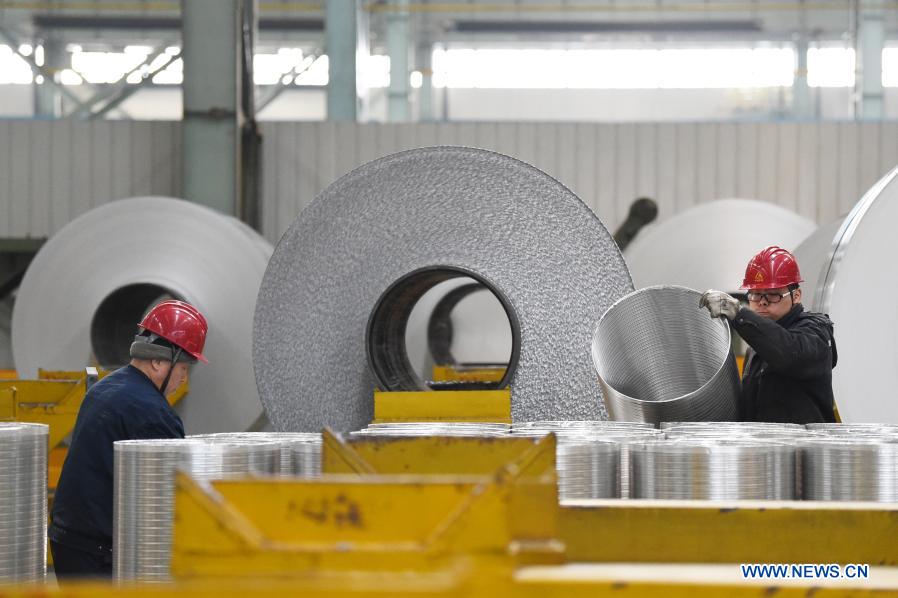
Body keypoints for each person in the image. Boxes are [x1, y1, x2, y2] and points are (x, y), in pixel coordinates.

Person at [48, 300, 208, 579]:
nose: (183, 379)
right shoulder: (152, 414)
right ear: (159, 361)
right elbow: (168, 501)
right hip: (99, 557)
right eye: (184, 368)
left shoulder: (107, 387)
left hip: (68, 543)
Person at [699, 246, 837, 423]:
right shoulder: (757, 347)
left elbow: (789, 353)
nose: (762, 303)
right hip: (765, 448)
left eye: (773, 295)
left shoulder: (816, 332)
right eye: (755, 295)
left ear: (796, 296)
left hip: (803, 449)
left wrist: (738, 314)